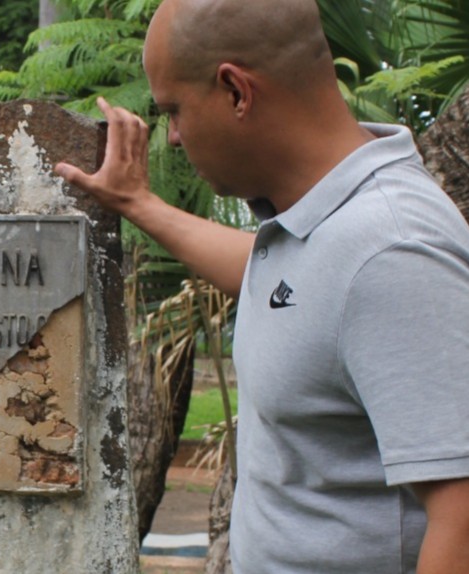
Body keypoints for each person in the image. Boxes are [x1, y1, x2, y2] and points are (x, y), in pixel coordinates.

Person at [54, 0, 469, 572]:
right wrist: (137, 204)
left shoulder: (392, 251)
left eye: (174, 110)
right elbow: (287, 283)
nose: (172, 137)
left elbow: (462, 520)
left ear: (235, 91)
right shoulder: (327, 228)